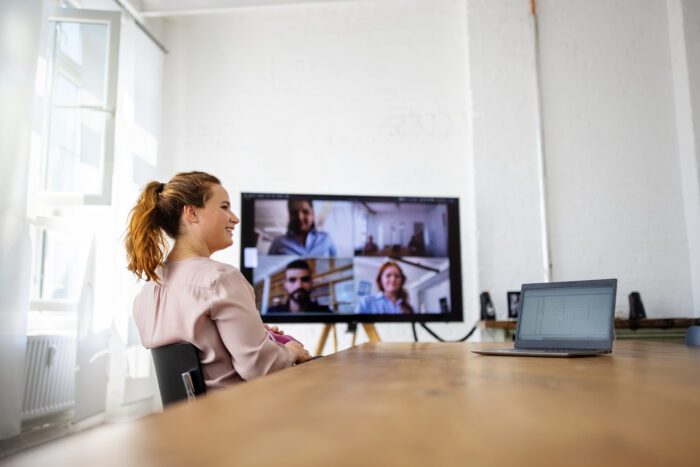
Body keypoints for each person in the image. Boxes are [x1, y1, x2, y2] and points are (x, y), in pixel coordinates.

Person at [125, 171, 311, 390]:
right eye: (224, 207)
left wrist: (260, 336)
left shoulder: (147, 292)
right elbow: (261, 368)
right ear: (192, 213)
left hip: (189, 419)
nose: (235, 218)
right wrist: (291, 350)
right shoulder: (221, 280)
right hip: (240, 415)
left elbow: (203, 356)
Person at [268, 199, 337, 256]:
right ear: (290, 216)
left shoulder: (326, 239)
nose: (300, 217)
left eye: (305, 212)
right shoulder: (278, 243)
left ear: (312, 214)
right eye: (294, 213)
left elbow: (339, 269)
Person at [266, 260, 331, 313]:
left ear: (311, 283)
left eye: (305, 279)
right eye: (292, 280)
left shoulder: (325, 312)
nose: (299, 285)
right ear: (285, 284)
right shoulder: (272, 312)